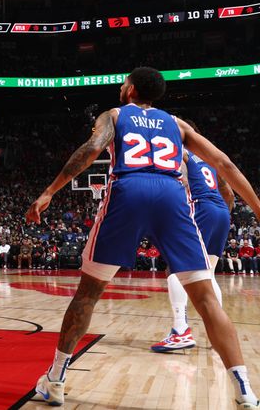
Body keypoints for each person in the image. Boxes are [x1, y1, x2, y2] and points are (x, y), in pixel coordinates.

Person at [26, 67, 260, 408]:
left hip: (129, 190)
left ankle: (56, 380)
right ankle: (244, 389)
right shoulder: (178, 124)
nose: (122, 87)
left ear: (131, 88)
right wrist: (256, 206)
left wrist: (49, 191)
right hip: (171, 195)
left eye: (124, 83)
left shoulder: (116, 114)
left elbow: (91, 148)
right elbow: (223, 163)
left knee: (88, 292)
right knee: (207, 299)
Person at [152, 122, 234, 352]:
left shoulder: (183, 151)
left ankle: (180, 331)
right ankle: (218, 333)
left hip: (202, 208)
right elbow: (227, 192)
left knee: (175, 269)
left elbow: (178, 178)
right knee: (208, 275)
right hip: (220, 212)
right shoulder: (209, 157)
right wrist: (224, 211)